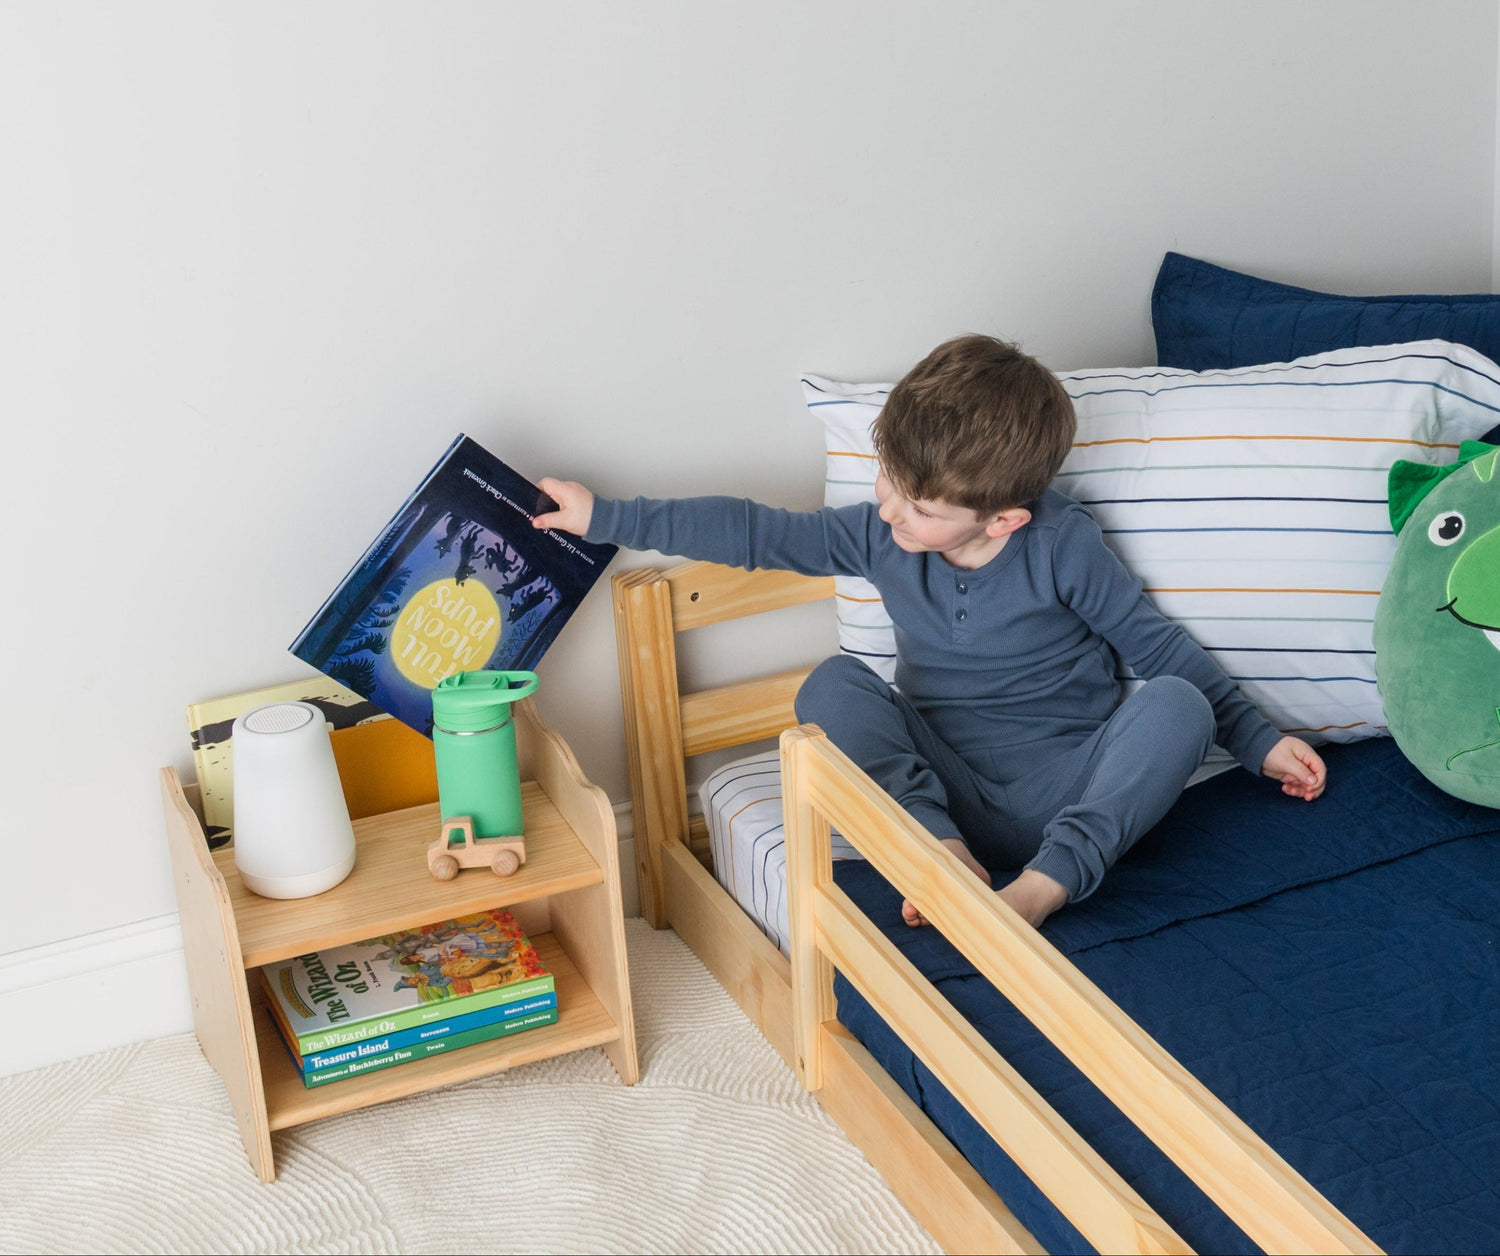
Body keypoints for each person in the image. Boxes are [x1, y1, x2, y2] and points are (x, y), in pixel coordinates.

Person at [534, 334, 1326, 930]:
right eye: (889, 481)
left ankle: (1042, 888)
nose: (889, 510)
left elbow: (1155, 647)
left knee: (1178, 703)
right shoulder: (881, 535)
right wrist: (605, 517)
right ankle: (939, 854)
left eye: (919, 507)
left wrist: (1256, 739)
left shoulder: (1061, 544)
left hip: (1070, 786)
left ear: (1004, 519)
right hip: (944, 786)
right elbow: (755, 532)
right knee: (832, 684)